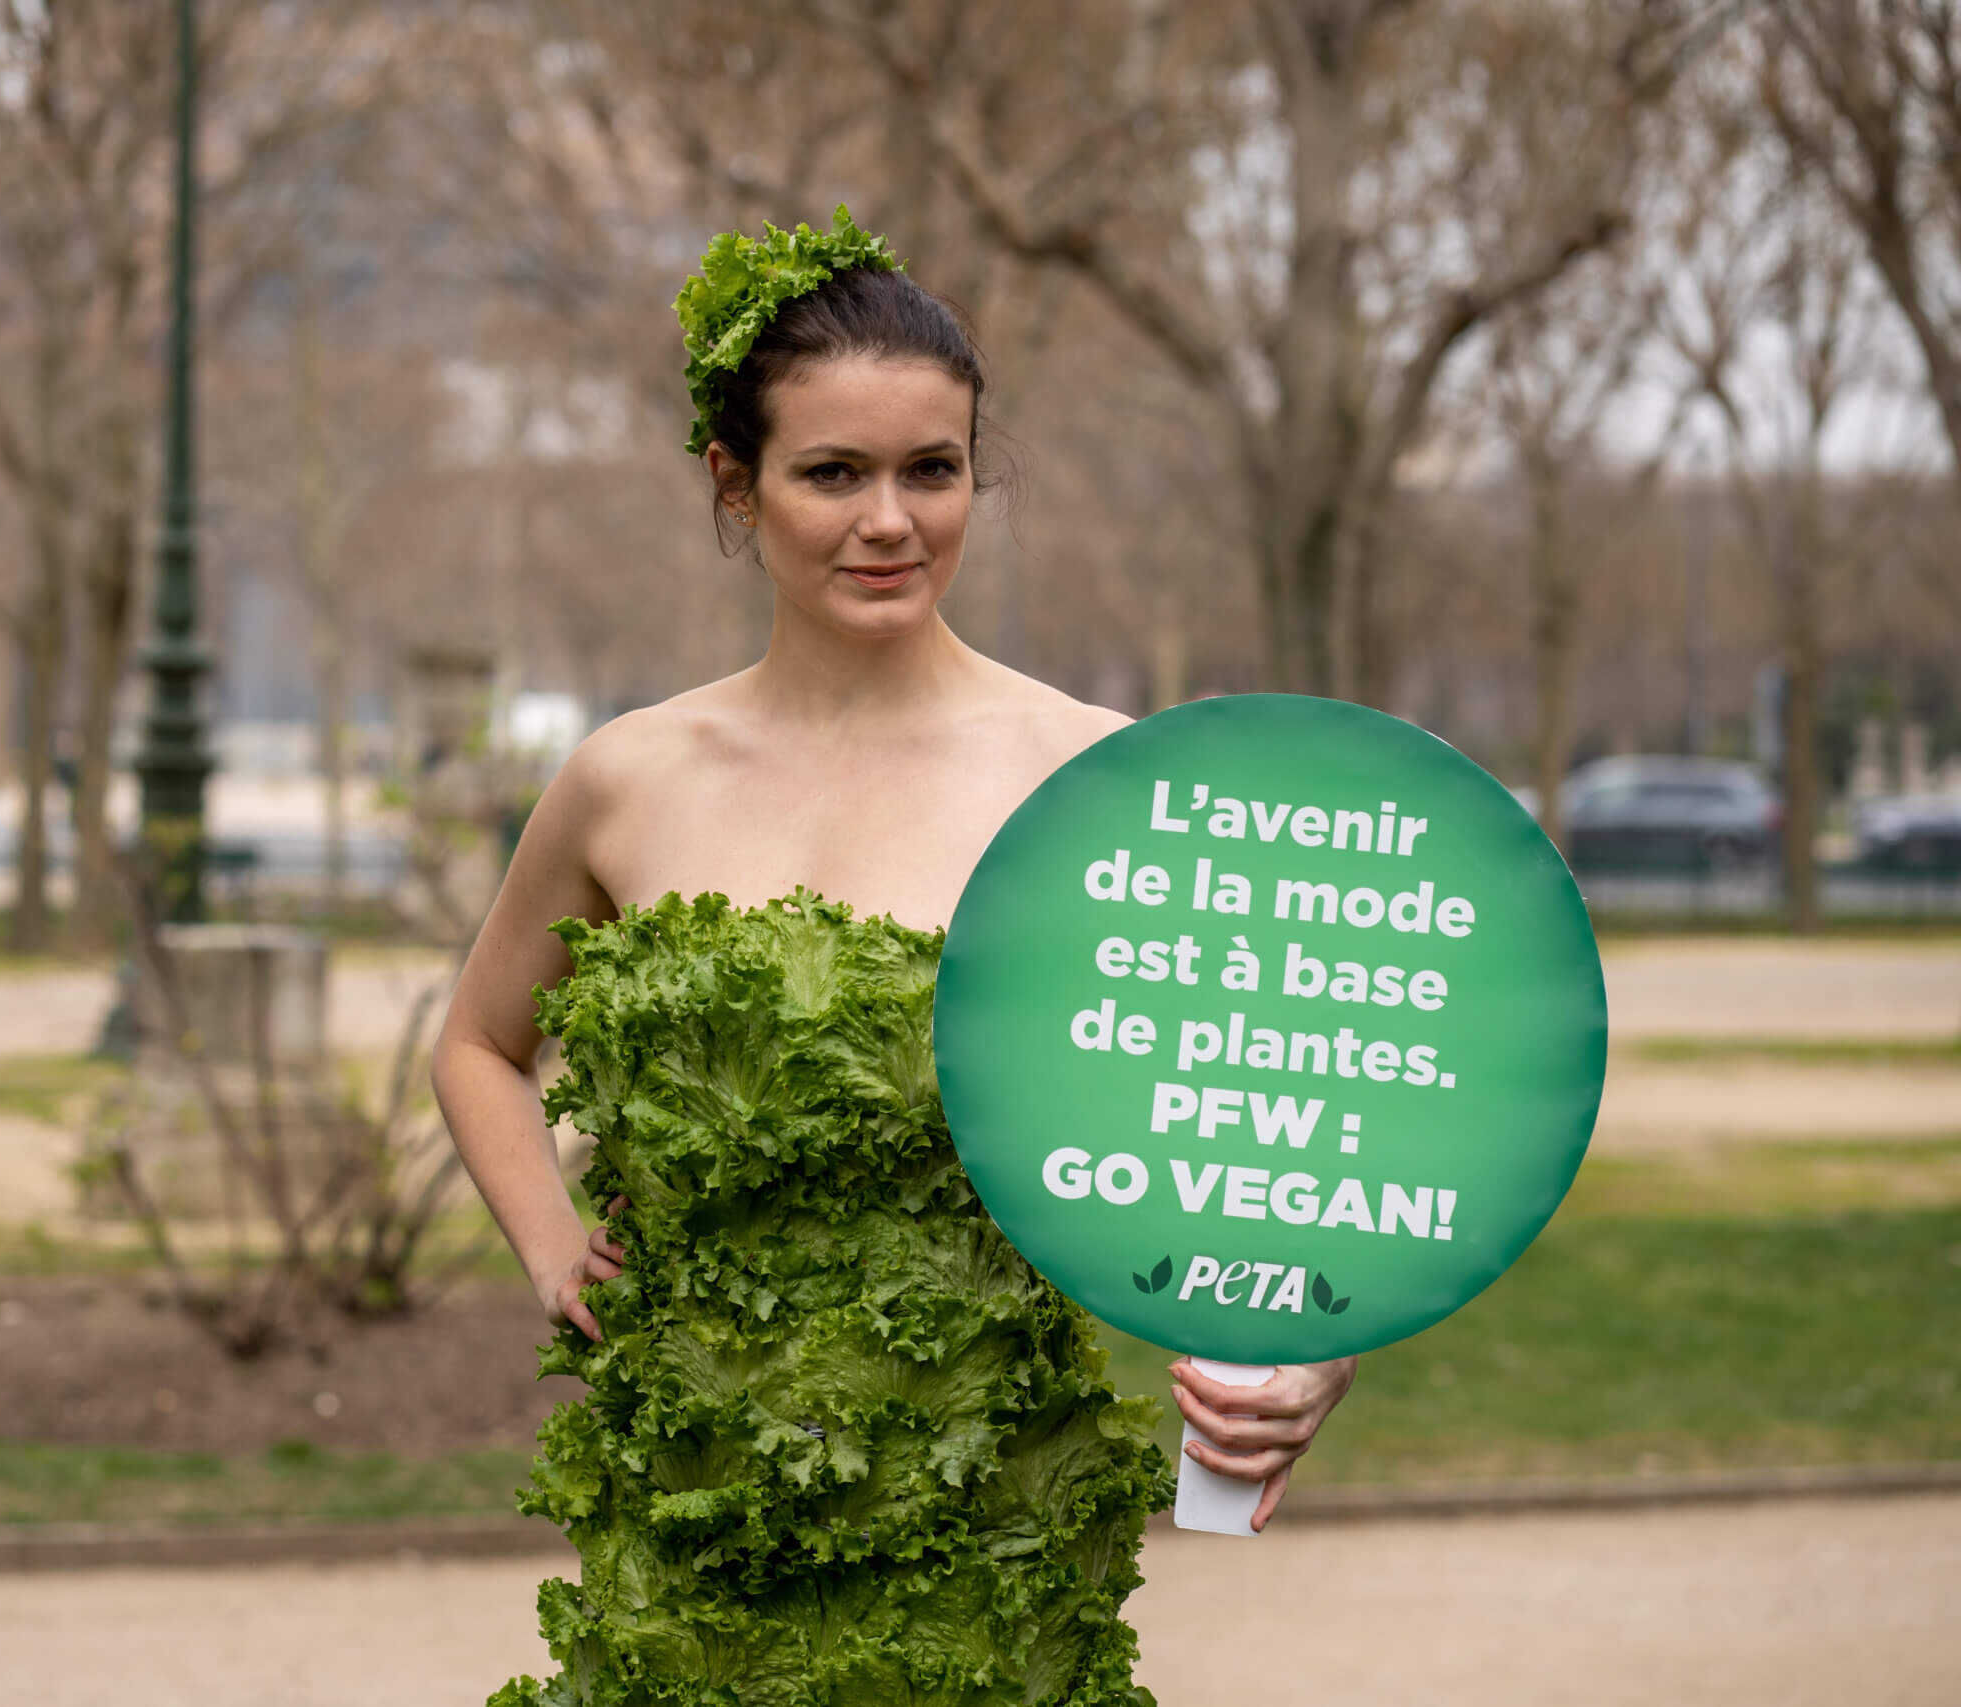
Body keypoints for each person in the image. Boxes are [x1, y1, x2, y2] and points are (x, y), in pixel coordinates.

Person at [433, 213, 1356, 1700]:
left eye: (933, 469)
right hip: (692, 1540)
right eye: (832, 474)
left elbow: (1264, 1109)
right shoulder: (627, 778)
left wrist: (1309, 1353)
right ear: (734, 485)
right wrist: (550, 1246)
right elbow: (478, 1044)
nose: (891, 521)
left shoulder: (1097, 781)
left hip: (980, 1547)